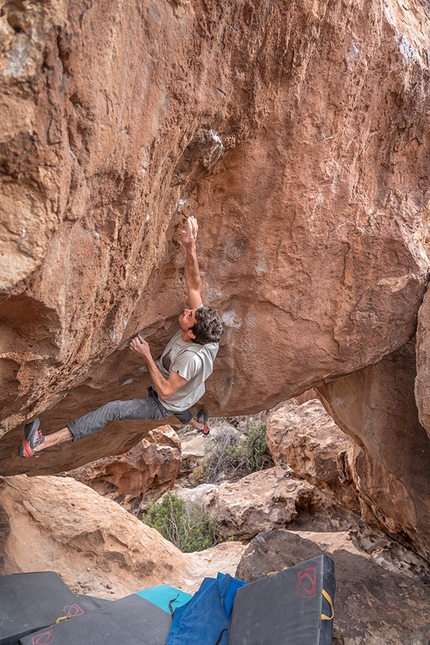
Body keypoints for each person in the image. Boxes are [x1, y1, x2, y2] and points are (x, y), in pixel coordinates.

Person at [18, 216, 223, 458]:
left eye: (190, 316)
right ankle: (201, 426)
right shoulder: (205, 335)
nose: (188, 310)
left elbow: (167, 392)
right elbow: (194, 287)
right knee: (182, 406)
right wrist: (191, 247)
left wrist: (147, 355)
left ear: (191, 334)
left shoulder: (190, 360)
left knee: (113, 410)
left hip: (163, 403)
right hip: (187, 393)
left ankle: (38, 445)